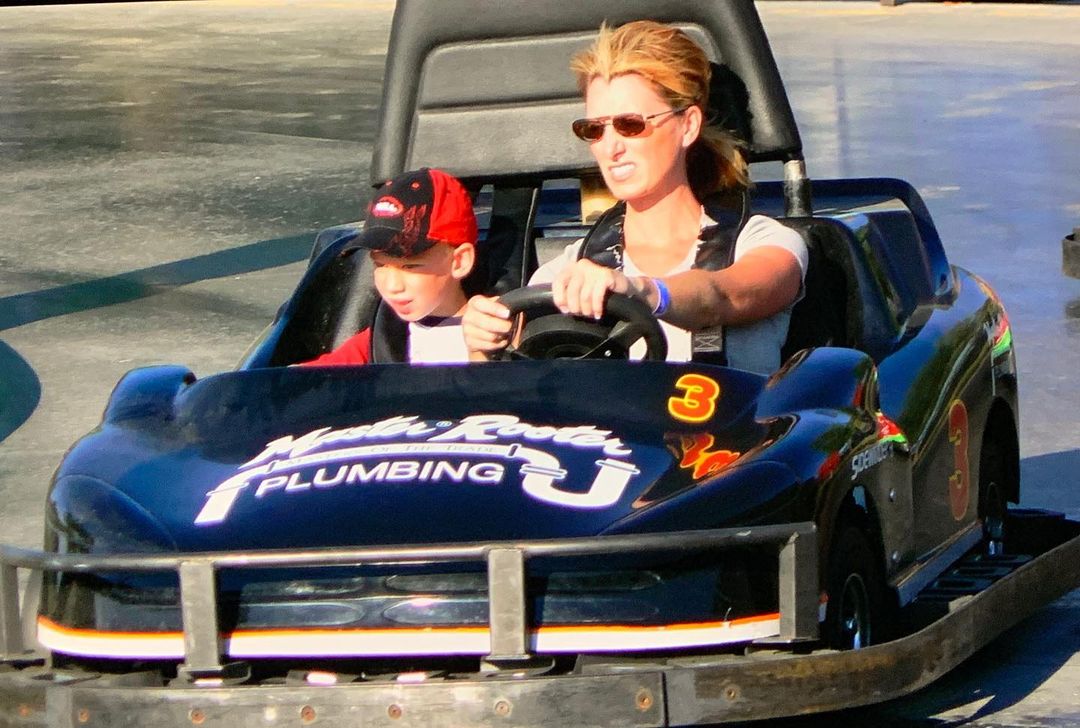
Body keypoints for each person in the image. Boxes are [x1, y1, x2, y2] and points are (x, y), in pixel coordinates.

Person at [462, 20, 808, 375]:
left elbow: (721, 295)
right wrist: (483, 348)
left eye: (631, 125)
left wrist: (643, 292)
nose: (611, 147)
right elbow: (520, 396)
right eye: (594, 129)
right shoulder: (564, 272)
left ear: (687, 125)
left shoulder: (765, 242)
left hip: (725, 427)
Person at [302, 167, 479, 366]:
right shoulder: (381, 338)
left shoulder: (493, 331)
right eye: (380, 265)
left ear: (460, 261)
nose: (393, 286)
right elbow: (306, 379)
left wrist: (482, 352)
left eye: (410, 267)